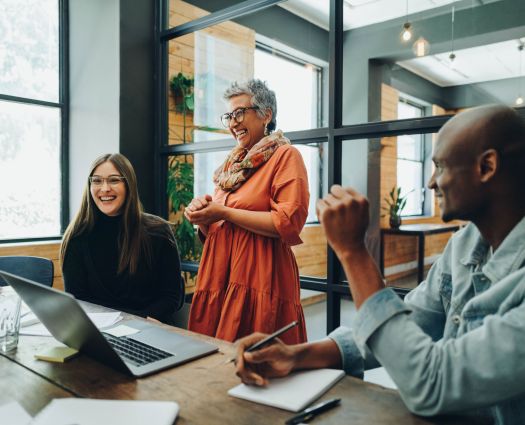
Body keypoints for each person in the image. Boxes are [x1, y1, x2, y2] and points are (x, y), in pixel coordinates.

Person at [234, 105, 525, 423]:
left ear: (487, 167)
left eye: (440, 166)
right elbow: (408, 323)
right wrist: (296, 354)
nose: (431, 183)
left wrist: (353, 253)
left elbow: (432, 383)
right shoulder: (466, 244)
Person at [184, 79, 309, 344]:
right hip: (220, 275)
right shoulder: (232, 166)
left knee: (258, 360)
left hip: (260, 277)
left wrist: (224, 212)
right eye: (228, 116)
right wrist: (203, 217)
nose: (232, 123)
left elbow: (287, 223)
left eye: (240, 113)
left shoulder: (286, 156)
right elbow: (217, 228)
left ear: (266, 115)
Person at [60, 153, 184, 323]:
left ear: (128, 185)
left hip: (149, 328)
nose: (104, 189)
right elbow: (79, 300)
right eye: (97, 181)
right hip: (99, 331)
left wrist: (139, 321)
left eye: (113, 180)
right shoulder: (77, 236)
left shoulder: (158, 231)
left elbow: (171, 297)